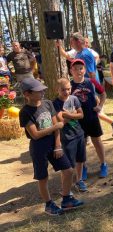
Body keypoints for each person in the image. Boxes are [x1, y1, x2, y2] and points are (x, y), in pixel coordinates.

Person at [19, 78, 84, 216]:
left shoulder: (48, 103)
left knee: (68, 170)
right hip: (39, 148)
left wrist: (58, 145)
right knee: (43, 177)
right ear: (27, 94)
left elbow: (57, 129)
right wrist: (54, 127)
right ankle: (49, 204)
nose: (42, 92)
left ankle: (66, 200)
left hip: (54, 145)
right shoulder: (25, 112)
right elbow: (35, 135)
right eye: (38, 91)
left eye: (42, 89)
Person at [70, 59, 109, 179]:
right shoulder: (69, 85)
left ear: (85, 70)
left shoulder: (91, 82)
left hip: (92, 118)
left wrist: (100, 106)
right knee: (81, 145)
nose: (78, 71)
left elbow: (103, 93)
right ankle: (83, 168)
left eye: (80, 68)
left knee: (97, 141)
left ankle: (103, 164)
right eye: (75, 69)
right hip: (77, 120)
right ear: (71, 71)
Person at [53, 78, 87, 192]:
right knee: (68, 165)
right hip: (67, 137)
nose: (66, 92)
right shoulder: (55, 103)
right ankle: (66, 186)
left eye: (68, 89)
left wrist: (67, 114)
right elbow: (61, 120)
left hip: (79, 133)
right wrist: (72, 115)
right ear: (57, 89)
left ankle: (79, 180)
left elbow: (81, 115)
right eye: (63, 90)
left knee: (80, 159)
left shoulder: (74, 99)